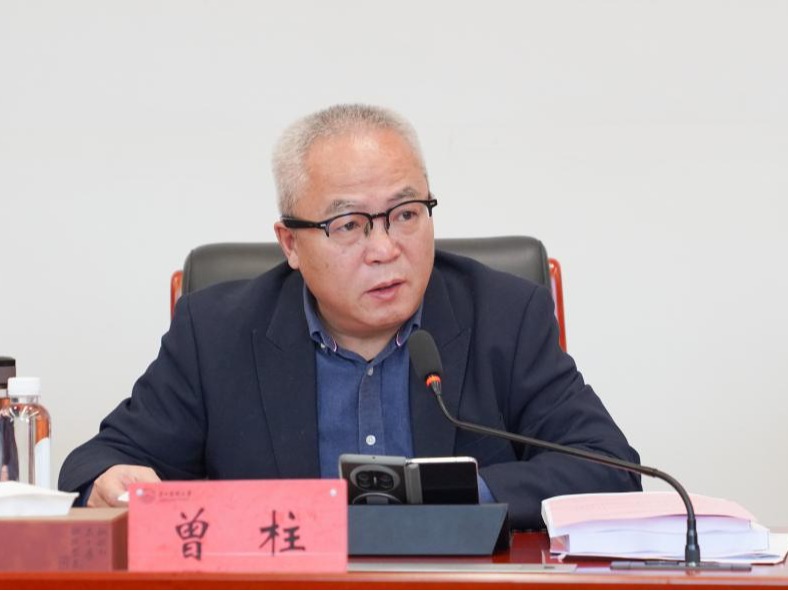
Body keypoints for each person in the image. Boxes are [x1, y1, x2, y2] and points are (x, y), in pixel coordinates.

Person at [58, 104, 641, 529]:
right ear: (290, 243)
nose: (385, 249)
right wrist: (111, 482)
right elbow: (98, 463)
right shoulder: (216, 333)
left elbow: (611, 469)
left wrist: (455, 494)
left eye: (406, 214)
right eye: (348, 225)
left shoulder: (504, 316)